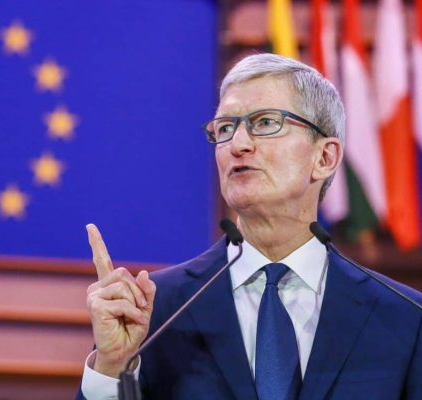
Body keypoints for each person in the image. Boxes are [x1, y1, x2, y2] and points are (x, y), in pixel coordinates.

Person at [77, 53, 422, 400]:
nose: (238, 144)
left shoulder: (404, 318)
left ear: (325, 158)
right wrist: (111, 367)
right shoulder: (155, 309)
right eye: (225, 128)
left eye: (265, 122)